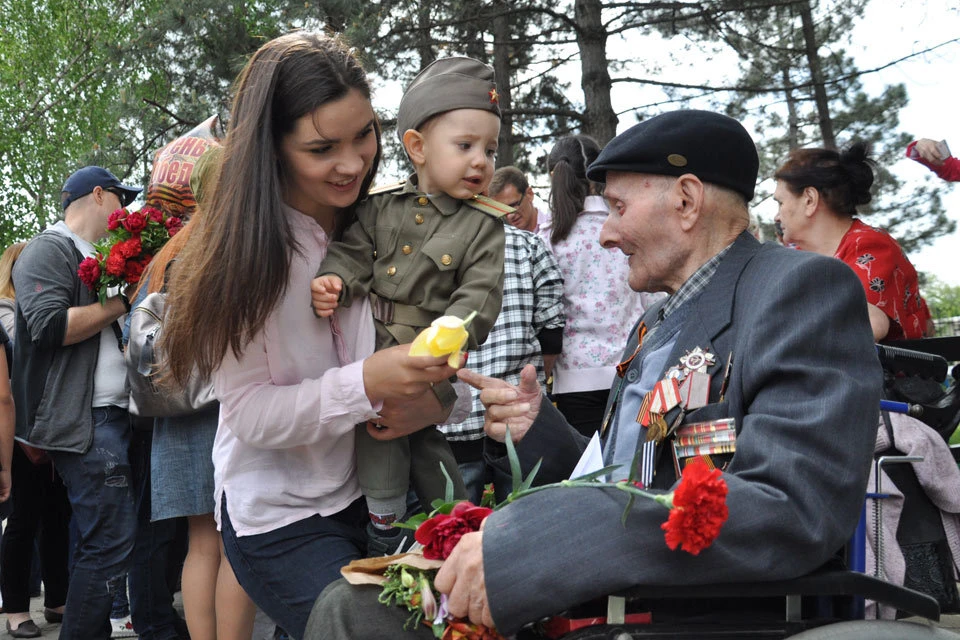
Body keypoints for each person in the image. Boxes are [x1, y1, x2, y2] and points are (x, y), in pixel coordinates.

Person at [307, 109, 884, 639]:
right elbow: (627, 474)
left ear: (686, 200)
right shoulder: (658, 320)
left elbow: (790, 508)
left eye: (617, 207)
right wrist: (540, 429)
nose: (605, 234)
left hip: (682, 617)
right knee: (350, 602)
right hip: (610, 600)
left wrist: (542, 542)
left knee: (350, 614)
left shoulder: (800, 290)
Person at [158, 32, 465, 640]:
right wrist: (365, 384)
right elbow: (248, 415)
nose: (352, 163)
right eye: (322, 148)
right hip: (280, 519)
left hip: (381, 494)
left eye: (364, 135)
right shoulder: (247, 258)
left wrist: (431, 396)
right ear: (271, 148)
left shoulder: (387, 224)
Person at [311, 56, 507, 548]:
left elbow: (479, 295)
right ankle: (414, 525)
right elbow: (352, 252)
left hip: (430, 358)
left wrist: (446, 338)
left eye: (490, 148)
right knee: (400, 440)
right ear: (417, 148)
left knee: (401, 433)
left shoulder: (483, 226)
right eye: (465, 146)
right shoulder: (379, 207)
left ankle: (415, 528)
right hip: (367, 350)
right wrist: (334, 279)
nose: (480, 160)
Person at [125, 144, 256, 640]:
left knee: (202, 543)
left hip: (173, 412)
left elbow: (131, 334)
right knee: (235, 541)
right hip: (227, 408)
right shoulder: (234, 245)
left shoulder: (169, 253)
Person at [12, 165, 141, 639]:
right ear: (100, 195)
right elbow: (49, 328)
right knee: (109, 542)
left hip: (108, 417)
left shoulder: (92, 253)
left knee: (111, 540)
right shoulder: (48, 248)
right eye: (121, 201)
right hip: (84, 420)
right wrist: (122, 303)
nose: (126, 212)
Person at [439, 178, 566, 504]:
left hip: (452, 420)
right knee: (526, 527)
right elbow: (551, 334)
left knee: (455, 532)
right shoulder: (529, 246)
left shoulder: (427, 257)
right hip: (518, 414)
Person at [540, 134, 661, 436]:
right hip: (634, 369)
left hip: (573, 379)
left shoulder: (547, 238)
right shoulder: (627, 228)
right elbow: (654, 302)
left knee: (587, 472)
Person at [773, 141, 932, 341]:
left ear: (809, 200)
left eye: (780, 203)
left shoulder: (870, 245)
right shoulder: (794, 254)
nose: (776, 217)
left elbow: (867, 325)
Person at [0, 240, 71, 640]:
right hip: (20, 431)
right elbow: (12, 380)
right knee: (23, 521)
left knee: (56, 517)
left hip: (49, 428)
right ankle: (15, 610)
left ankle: (57, 599)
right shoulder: (8, 313)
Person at [488, 166, 549, 233]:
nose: (510, 216)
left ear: (529, 194)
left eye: (513, 205)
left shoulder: (556, 228)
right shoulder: (503, 239)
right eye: (503, 211)